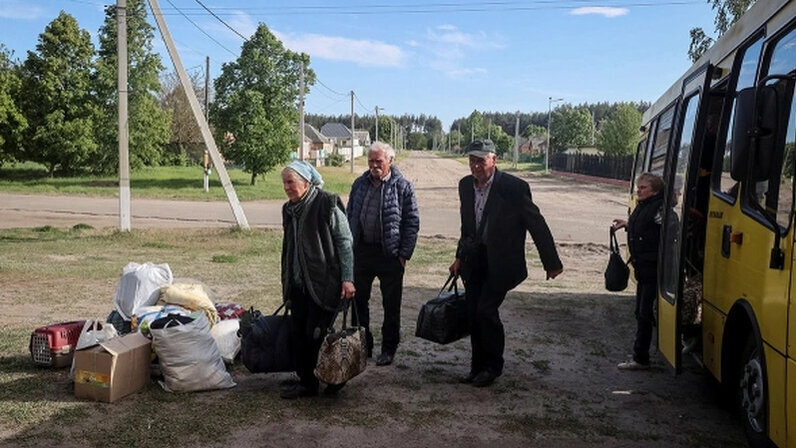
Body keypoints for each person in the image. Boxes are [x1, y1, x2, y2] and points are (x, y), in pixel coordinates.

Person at [449, 139, 563, 387]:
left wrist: (551, 262)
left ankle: (492, 367)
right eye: (472, 160)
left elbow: (537, 224)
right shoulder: (465, 185)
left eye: (481, 160)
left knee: (485, 311)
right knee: (473, 313)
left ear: (494, 159)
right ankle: (477, 367)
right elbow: (467, 226)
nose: (475, 166)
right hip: (474, 261)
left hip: (501, 263)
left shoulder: (514, 187)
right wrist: (459, 257)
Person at [279, 160, 356, 399]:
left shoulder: (326, 204)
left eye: (290, 182)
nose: (287, 187)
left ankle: (335, 378)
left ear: (306, 182)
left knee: (319, 334)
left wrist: (347, 278)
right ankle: (307, 383)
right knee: (299, 333)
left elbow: (345, 242)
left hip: (324, 283)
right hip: (298, 284)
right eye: (284, 183)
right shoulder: (289, 209)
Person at [346, 141, 420, 366]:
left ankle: (389, 348)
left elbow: (412, 222)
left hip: (390, 254)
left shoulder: (403, 187)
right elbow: (350, 214)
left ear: (390, 161)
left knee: (391, 304)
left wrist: (403, 255)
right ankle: (363, 345)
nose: (374, 165)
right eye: (371, 161)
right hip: (362, 252)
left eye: (379, 161)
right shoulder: (359, 184)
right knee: (358, 302)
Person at [612, 172, 665, 371]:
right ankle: (641, 354)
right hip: (642, 268)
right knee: (641, 313)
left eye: (643, 188)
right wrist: (627, 225)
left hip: (652, 269)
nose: (638, 191)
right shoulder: (644, 205)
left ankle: (641, 358)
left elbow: (668, 231)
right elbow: (645, 227)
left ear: (655, 190)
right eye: (638, 187)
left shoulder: (660, 208)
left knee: (644, 314)